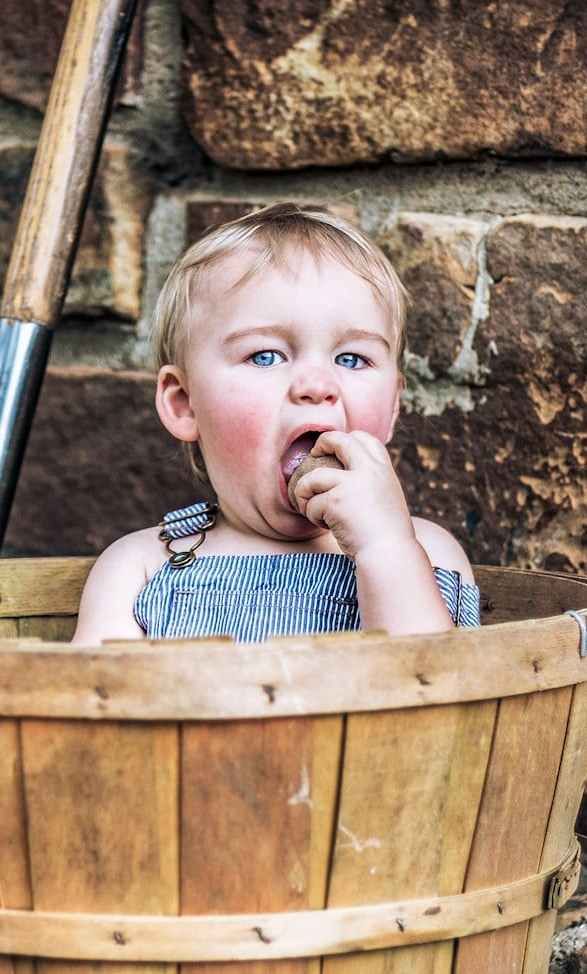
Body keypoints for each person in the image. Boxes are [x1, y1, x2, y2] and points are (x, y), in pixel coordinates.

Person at [71, 204, 480, 644]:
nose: (318, 385)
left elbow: (437, 690)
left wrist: (384, 550)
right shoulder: (142, 566)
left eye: (352, 358)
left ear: (394, 404)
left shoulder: (424, 552)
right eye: (265, 356)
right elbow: (94, 704)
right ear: (185, 403)